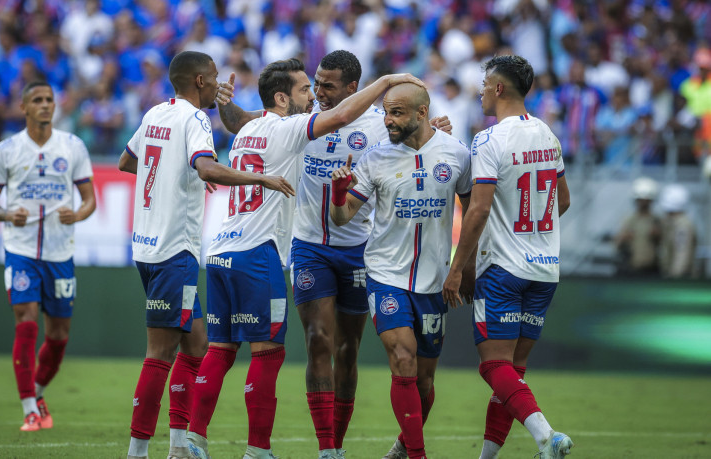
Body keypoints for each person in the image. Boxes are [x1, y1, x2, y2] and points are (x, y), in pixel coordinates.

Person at [213, 50, 452, 459]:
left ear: (352, 88)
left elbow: (426, 143)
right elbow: (244, 125)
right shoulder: (297, 122)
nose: (319, 92)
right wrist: (225, 104)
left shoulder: (381, 126)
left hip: (360, 250)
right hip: (308, 247)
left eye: (328, 85)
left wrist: (437, 129)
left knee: (347, 350)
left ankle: (338, 440)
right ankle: (328, 450)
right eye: (315, 83)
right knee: (318, 339)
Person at [116, 51, 294, 459]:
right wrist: (260, 177)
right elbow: (208, 168)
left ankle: (181, 447)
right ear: (199, 81)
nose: (218, 85)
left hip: (145, 245)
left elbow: (128, 161)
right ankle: (137, 451)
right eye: (213, 77)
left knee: (196, 345)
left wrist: (174, 173)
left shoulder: (154, 113)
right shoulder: (195, 119)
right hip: (173, 249)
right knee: (159, 352)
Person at [330, 83, 473, 459]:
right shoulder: (375, 159)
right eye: (386, 112)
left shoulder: (456, 154)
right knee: (403, 358)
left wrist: (464, 267)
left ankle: (401, 446)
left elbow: (475, 215)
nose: (387, 120)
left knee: (424, 383)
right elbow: (342, 219)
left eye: (395, 113)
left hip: (433, 280)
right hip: (385, 275)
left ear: (422, 113)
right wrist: (339, 194)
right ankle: (417, 455)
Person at [441, 55, 573, 459]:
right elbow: (562, 201)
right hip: (545, 269)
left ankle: (546, 437)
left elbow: (477, 210)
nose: (480, 91)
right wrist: (527, 227)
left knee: (493, 366)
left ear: (498, 88)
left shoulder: (489, 139)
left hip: (504, 269)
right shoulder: (548, 135)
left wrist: (458, 267)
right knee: (512, 373)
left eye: (484, 84)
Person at [0, 81, 97, 432]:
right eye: (38, 100)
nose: (46, 105)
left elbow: (90, 199)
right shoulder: (6, 150)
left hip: (61, 252)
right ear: (24, 107)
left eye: (49, 99)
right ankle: (29, 409)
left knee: (59, 334)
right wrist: (5, 214)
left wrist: (77, 215)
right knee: (26, 319)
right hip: (21, 250)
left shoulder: (73, 146)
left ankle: (37, 392)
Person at [615, 177, 661, 276]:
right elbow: (617, 245)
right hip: (631, 268)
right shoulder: (629, 220)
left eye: (646, 200)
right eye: (640, 200)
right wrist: (623, 239)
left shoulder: (657, 221)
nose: (643, 203)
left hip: (652, 269)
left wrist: (658, 236)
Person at [658, 184, 697, 279]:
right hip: (670, 274)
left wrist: (675, 275)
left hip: (680, 278)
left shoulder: (682, 225)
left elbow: (682, 253)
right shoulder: (671, 223)